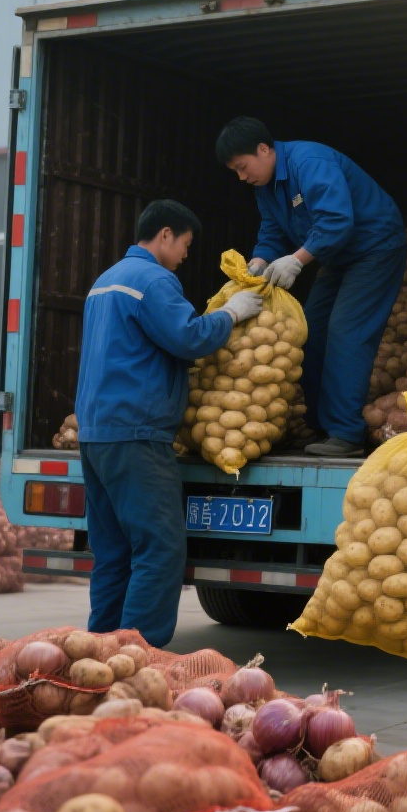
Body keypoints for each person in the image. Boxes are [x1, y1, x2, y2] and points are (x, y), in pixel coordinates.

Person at [75, 200, 263, 647]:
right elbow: (188, 337)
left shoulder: (105, 281)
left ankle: (99, 651)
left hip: (96, 433)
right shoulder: (154, 280)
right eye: (185, 244)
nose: (185, 255)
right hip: (136, 433)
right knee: (159, 547)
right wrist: (232, 313)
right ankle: (138, 655)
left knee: (113, 551)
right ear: (164, 235)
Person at [216, 117, 407, 459]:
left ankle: (346, 434)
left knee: (346, 331)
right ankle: (321, 426)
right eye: (236, 172)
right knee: (308, 330)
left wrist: (296, 260)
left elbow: (336, 220)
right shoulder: (265, 187)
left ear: (264, 150)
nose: (242, 177)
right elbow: (272, 231)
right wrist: (258, 263)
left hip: (374, 247)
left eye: (243, 167)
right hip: (336, 256)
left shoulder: (309, 162)